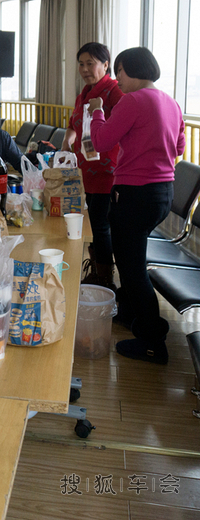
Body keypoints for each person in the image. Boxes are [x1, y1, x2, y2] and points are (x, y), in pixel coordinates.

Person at [89, 47, 185, 364]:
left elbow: (101, 142)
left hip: (135, 194)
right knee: (131, 258)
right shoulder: (171, 102)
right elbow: (180, 147)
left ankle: (151, 340)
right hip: (162, 193)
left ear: (129, 70)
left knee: (132, 269)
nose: (118, 81)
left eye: (119, 73)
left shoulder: (133, 100)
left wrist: (98, 112)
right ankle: (131, 313)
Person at [61, 42, 123, 290]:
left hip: (107, 171)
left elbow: (125, 125)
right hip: (85, 170)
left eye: (91, 63)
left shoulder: (114, 91)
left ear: (105, 65)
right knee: (93, 225)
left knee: (100, 225)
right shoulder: (84, 93)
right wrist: (66, 145)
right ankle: (97, 271)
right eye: (81, 64)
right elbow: (73, 125)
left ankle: (105, 279)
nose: (85, 69)